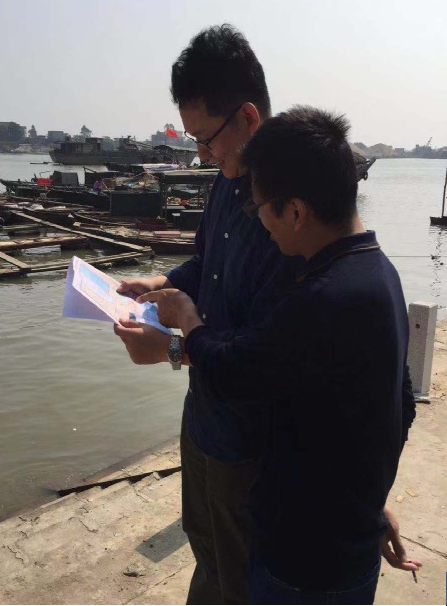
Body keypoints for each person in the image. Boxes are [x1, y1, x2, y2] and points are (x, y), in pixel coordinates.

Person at [137, 107, 421, 604]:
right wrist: (368, 506)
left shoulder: (319, 298)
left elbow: (237, 371)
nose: (260, 223)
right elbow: (399, 405)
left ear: (295, 212)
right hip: (348, 544)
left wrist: (185, 319)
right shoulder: (378, 274)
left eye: (260, 209)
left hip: (302, 560)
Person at [114, 24, 290, 604]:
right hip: (204, 415)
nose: (201, 155)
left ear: (248, 118)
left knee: (241, 566)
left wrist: (170, 348)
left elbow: (267, 354)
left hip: (250, 435)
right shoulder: (224, 184)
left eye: (206, 139)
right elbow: (206, 264)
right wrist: (159, 283)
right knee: (206, 544)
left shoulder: (289, 212)